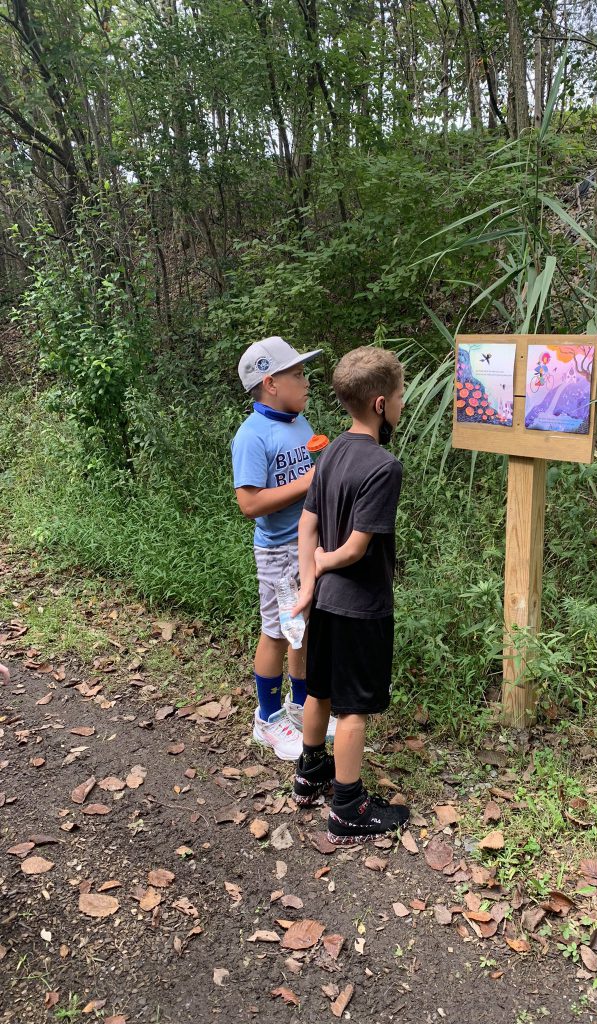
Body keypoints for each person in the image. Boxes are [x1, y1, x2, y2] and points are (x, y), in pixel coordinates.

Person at [292, 346, 410, 844]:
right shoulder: (385, 467)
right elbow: (357, 547)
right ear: (381, 403)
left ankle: (309, 772)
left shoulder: (333, 449)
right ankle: (347, 805)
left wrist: (307, 583)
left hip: (324, 604)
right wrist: (325, 562)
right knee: (353, 707)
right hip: (361, 605)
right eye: (400, 394)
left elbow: (307, 522)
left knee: (319, 689)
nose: (404, 402)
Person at [232, 336, 336, 761]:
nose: (306, 380)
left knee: (303, 627)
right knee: (276, 631)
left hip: (309, 543)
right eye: (297, 373)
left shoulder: (299, 423)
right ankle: (268, 718)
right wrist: (308, 482)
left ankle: (299, 704)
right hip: (278, 550)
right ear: (270, 383)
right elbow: (249, 503)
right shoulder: (252, 436)